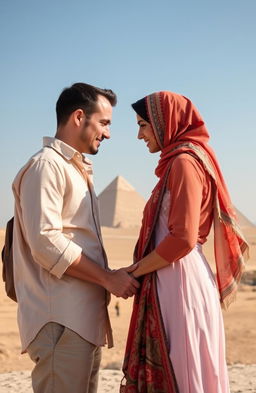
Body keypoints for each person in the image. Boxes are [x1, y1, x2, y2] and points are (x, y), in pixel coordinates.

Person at [12, 82, 139, 393]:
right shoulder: (47, 166)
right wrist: (107, 279)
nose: (108, 134)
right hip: (60, 320)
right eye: (104, 123)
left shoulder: (73, 169)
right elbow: (46, 242)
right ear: (79, 117)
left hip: (80, 319)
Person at [121, 91, 249, 393]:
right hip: (174, 276)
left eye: (143, 125)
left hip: (178, 279)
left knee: (183, 371)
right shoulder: (179, 162)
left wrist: (134, 272)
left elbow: (182, 239)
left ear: (165, 122)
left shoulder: (183, 163)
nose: (139, 135)